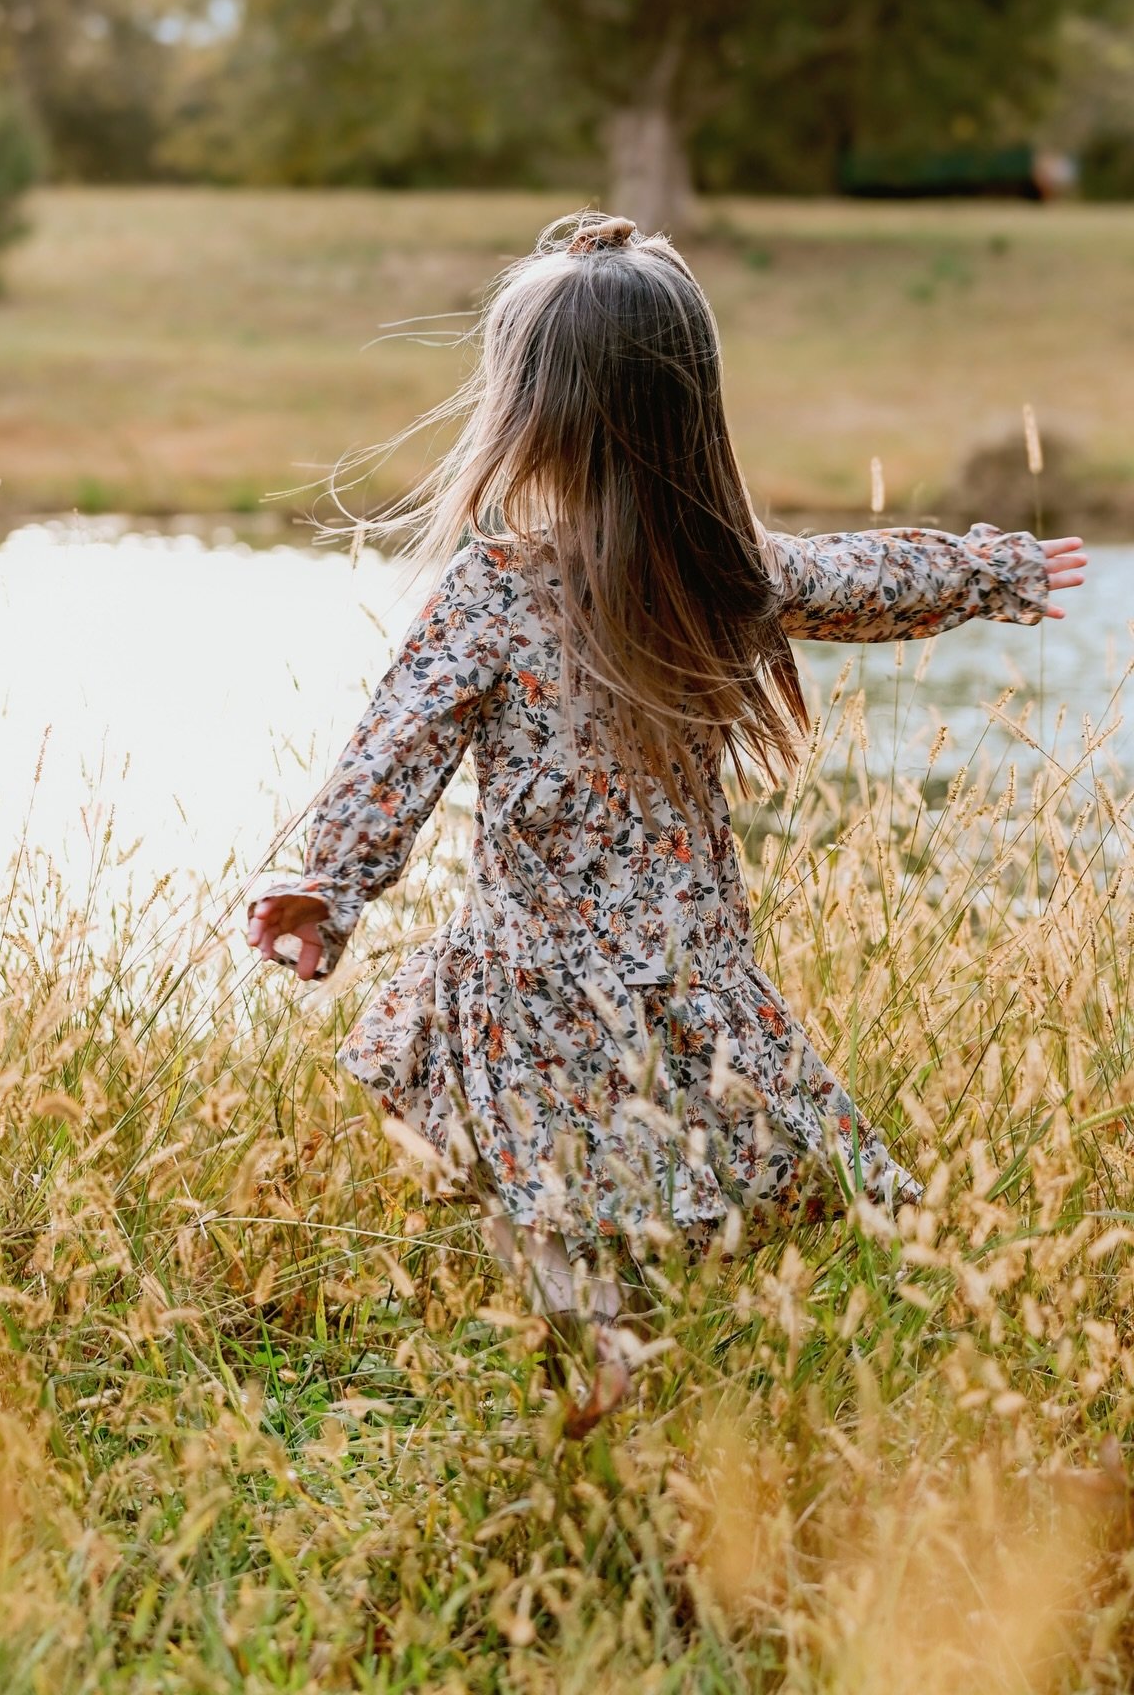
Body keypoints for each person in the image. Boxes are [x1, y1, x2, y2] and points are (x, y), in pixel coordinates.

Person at [248, 214, 1086, 1433]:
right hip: (692, 969)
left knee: (519, 1167)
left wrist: (331, 887)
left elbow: (398, 748)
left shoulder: (499, 587)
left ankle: (610, 1357)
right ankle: (761, 1355)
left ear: (526, 412)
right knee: (756, 1177)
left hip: (532, 970)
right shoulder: (721, 567)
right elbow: (868, 580)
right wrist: (990, 572)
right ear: (685, 412)